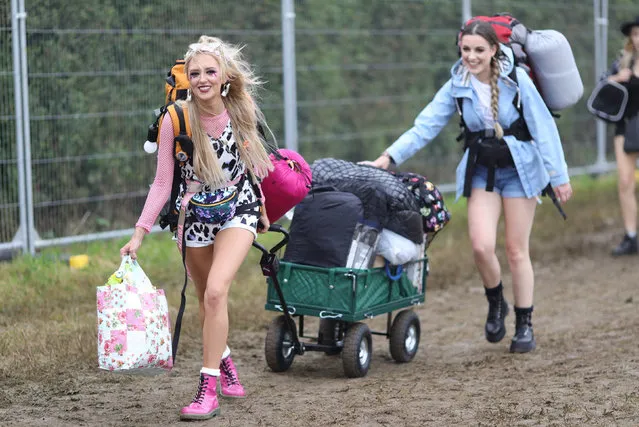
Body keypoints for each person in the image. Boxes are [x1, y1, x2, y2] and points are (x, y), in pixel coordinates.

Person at [361, 20, 572, 353]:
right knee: (481, 246)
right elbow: (424, 125)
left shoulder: (516, 80)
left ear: (493, 51)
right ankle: (496, 302)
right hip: (481, 171)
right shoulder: (456, 83)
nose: (471, 57)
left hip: (521, 170)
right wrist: (389, 157)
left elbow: (543, 127)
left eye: (479, 50)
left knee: (517, 251)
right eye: (466, 50)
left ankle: (524, 325)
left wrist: (558, 176)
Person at [120, 35, 273, 420]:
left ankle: (208, 390)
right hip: (193, 217)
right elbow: (161, 182)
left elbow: (253, 160)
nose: (202, 78)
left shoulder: (241, 107)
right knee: (206, 297)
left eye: (209, 71)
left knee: (218, 292)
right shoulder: (175, 118)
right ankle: (224, 361)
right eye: (195, 73)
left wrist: (264, 207)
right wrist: (140, 231)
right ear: (187, 79)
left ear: (223, 76)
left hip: (239, 207)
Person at [606, 16, 639, 256]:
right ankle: (631, 235)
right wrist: (617, 79)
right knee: (626, 182)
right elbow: (603, 86)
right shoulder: (623, 63)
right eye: (635, 34)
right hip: (626, 127)